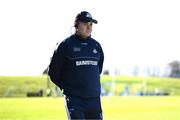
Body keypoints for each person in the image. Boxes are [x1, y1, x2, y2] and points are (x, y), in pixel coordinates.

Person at [48, 11, 104, 120]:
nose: (89, 27)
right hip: (74, 100)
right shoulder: (65, 45)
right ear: (76, 25)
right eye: (85, 24)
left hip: (94, 100)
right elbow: (53, 73)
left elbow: (98, 70)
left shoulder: (96, 46)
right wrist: (68, 88)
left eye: (91, 24)